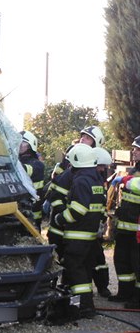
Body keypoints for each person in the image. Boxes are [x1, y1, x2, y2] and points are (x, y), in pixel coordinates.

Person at [52, 144, 105, 318]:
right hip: (89, 236)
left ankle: (83, 308)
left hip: (77, 235)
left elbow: (78, 210)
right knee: (84, 271)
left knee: (75, 271)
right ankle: (82, 305)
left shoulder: (81, 180)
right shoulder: (96, 179)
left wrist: (60, 218)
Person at [108, 135, 140, 307]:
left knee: (138, 264)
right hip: (126, 227)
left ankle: (137, 298)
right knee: (121, 259)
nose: (133, 151)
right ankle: (124, 292)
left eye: (137, 149)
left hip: (138, 230)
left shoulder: (133, 176)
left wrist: (126, 180)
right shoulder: (134, 170)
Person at [91, 147, 113, 297]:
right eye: (101, 166)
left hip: (96, 226)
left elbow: (102, 203)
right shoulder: (87, 178)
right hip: (85, 227)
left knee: (100, 260)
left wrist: (103, 220)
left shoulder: (99, 179)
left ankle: (103, 287)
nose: (103, 169)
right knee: (85, 261)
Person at [18, 131, 45, 229]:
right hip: (20, 210)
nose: (20, 144)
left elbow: (23, 170)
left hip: (33, 213)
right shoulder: (18, 160)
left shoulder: (37, 164)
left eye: (23, 142)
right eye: (18, 141)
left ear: (30, 146)